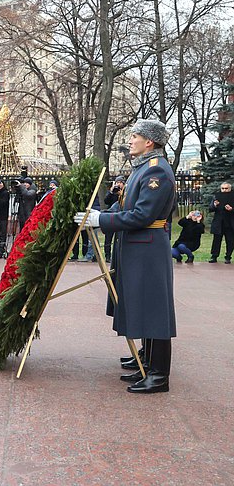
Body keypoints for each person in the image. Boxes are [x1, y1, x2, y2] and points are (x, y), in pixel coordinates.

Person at [76, 118, 176, 393]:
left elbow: (142, 215)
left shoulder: (156, 172)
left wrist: (101, 221)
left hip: (148, 248)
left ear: (149, 142)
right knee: (142, 303)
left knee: (154, 308)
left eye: (135, 136)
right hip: (138, 246)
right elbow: (125, 207)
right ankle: (147, 360)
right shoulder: (143, 169)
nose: (130, 140)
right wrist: (100, 215)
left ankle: (158, 374)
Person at [102, 176, 126, 263]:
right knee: (108, 237)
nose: (118, 184)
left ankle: (119, 255)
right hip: (111, 216)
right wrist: (111, 192)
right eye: (117, 182)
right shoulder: (112, 192)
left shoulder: (126, 192)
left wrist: (121, 194)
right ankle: (107, 256)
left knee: (120, 237)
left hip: (120, 217)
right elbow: (106, 201)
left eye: (120, 182)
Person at [209, 181, 233, 264]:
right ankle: (214, 256)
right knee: (216, 240)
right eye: (223, 188)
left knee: (230, 240)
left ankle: (228, 257)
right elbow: (210, 208)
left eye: (226, 188)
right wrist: (215, 205)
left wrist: (231, 209)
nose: (224, 190)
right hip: (219, 222)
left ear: (230, 189)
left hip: (230, 222)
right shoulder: (216, 196)